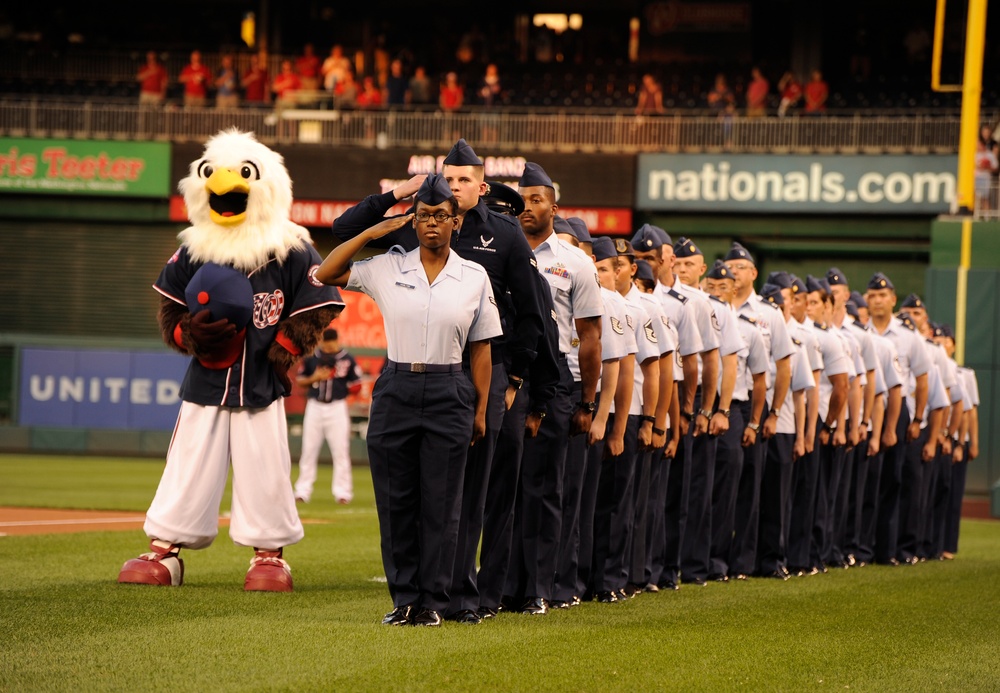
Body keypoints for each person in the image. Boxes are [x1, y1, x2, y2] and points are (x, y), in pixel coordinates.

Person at [117, 130, 344, 592]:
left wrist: (288, 348)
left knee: (266, 464)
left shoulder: (291, 247)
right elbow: (170, 311)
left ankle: (268, 554)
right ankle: (166, 549)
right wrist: (189, 334)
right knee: (189, 460)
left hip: (261, 381)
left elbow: (320, 304)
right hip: (207, 380)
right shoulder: (195, 247)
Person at [333, 140, 547, 625]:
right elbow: (339, 237)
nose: (452, 189)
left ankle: (465, 598)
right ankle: (418, 598)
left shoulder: (504, 235)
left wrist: (515, 379)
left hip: (477, 378)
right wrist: (392, 200)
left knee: (469, 497)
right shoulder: (407, 237)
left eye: (462, 181)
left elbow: (530, 314)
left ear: (478, 189)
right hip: (408, 380)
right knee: (411, 498)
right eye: (447, 179)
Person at [316, 174, 502, 627]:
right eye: (423, 216)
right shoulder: (387, 266)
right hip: (397, 387)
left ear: (456, 222)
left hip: (449, 389)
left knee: (442, 504)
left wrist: (479, 409)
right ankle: (404, 600)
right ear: (413, 222)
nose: (433, 223)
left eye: (442, 216)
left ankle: (435, 602)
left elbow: (482, 349)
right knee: (396, 501)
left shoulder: (474, 276)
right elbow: (326, 273)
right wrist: (370, 233)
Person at [505, 162, 603, 615]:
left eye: (537, 199)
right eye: (521, 199)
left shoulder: (576, 263)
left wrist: (587, 400)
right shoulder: (497, 251)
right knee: (503, 485)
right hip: (506, 374)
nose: (528, 207)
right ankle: (499, 587)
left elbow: (590, 337)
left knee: (545, 488)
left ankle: (539, 588)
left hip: (556, 378)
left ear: (553, 206)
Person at [292, 328, 363, 505]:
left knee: (341, 452)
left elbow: (357, 384)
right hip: (315, 406)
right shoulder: (312, 357)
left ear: (337, 341)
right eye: (326, 342)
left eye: (331, 342)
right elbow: (300, 380)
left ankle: (343, 493)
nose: (328, 346)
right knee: (309, 450)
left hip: (337, 407)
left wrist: (345, 388)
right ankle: (302, 490)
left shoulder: (347, 359)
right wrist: (315, 377)